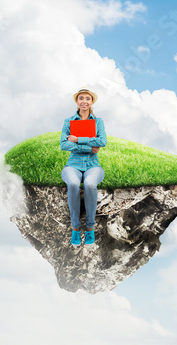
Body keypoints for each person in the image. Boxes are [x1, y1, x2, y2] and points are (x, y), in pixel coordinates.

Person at [59, 87, 107, 246]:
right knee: (73, 184)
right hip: (73, 165)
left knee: (90, 184)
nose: (84, 101)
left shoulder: (98, 122)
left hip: (93, 165)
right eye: (81, 98)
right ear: (77, 102)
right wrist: (88, 146)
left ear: (91, 101)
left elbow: (102, 142)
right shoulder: (68, 122)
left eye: (87, 98)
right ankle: (75, 228)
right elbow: (64, 144)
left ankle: (90, 227)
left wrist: (78, 139)